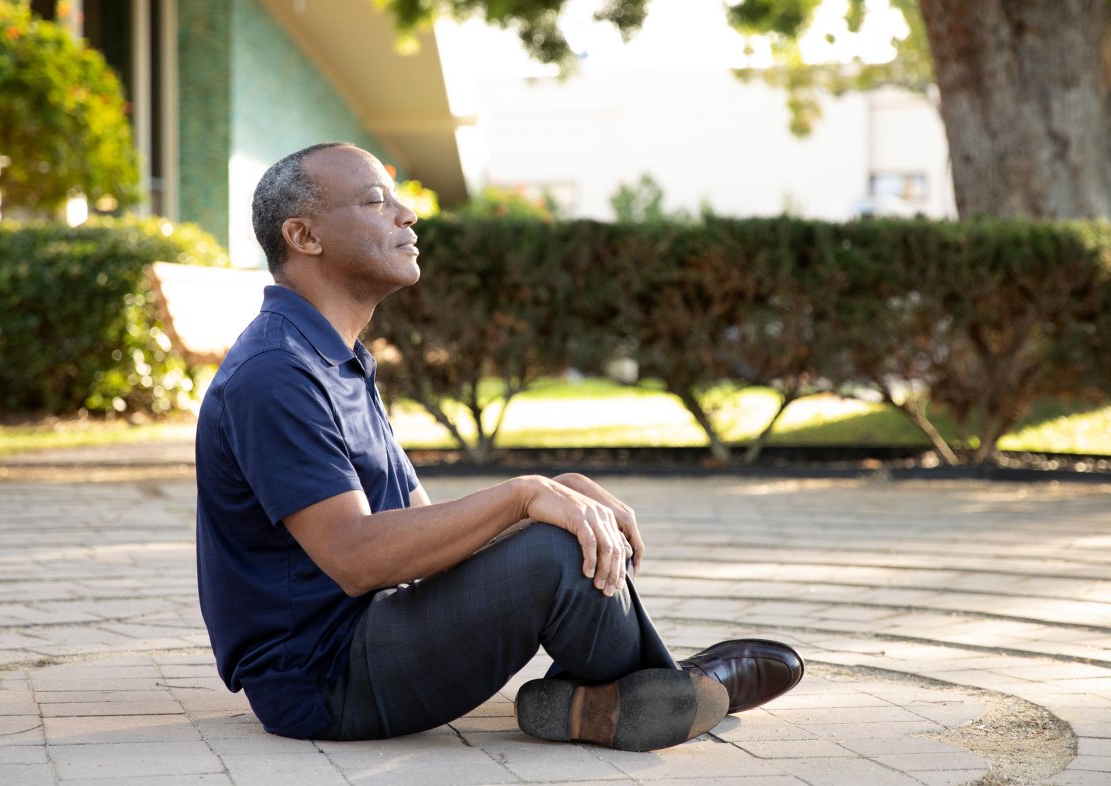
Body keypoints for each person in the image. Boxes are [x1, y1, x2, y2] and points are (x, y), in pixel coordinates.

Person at [194, 142, 804, 751]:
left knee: (564, 522)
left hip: (373, 634)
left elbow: (419, 528)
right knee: (552, 547)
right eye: (377, 201)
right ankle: (674, 687)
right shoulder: (277, 372)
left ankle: (613, 699)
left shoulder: (334, 358)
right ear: (303, 236)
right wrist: (521, 498)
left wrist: (553, 494)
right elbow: (356, 560)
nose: (407, 215)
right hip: (324, 682)